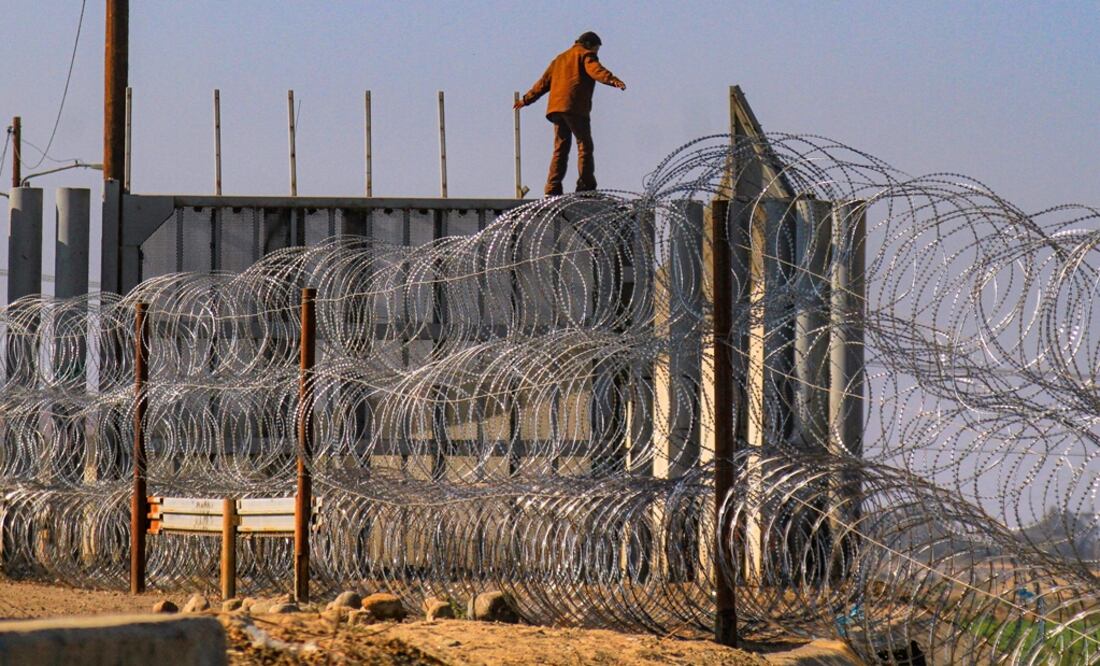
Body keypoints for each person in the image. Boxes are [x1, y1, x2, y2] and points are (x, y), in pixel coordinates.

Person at [514, 31, 626, 196]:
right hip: (575, 108)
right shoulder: (585, 55)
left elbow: (543, 83)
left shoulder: (560, 59)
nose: (596, 53)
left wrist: (525, 100)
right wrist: (613, 80)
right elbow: (596, 70)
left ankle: (552, 188)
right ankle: (586, 187)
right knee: (584, 145)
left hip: (556, 109)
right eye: (597, 49)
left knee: (560, 148)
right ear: (589, 45)